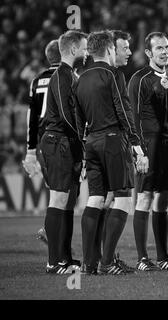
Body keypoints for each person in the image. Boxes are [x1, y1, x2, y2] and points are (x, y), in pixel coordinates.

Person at [74, 31, 148, 275]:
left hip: (91, 142)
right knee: (124, 198)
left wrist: (84, 149)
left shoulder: (80, 78)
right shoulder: (113, 74)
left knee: (95, 199)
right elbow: (123, 109)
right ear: (108, 50)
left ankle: (89, 263)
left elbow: (78, 119)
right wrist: (136, 144)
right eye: (116, 49)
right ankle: (107, 263)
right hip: (113, 140)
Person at [128, 32, 168, 271]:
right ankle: (142, 258)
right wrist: (139, 151)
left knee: (164, 199)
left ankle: (163, 257)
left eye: (166, 47)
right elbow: (135, 117)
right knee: (144, 197)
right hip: (148, 143)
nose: (164, 51)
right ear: (149, 53)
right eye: (158, 48)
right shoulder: (139, 79)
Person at [23, 39, 81, 256]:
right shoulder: (71, 77)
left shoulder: (37, 80)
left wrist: (30, 151)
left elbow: (31, 118)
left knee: (58, 194)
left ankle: (60, 248)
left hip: (45, 141)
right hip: (63, 139)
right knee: (63, 196)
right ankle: (56, 249)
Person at [37, 31, 87, 274]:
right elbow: (68, 115)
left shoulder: (70, 75)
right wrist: (83, 138)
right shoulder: (62, 76)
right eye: (85, 48)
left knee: (66, 202)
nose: (87, 52)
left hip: (66, 142)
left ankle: (65, 259)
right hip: (58, 142)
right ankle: (53, 261)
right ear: (73, 49)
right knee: (58, 199)